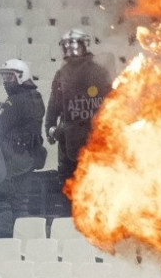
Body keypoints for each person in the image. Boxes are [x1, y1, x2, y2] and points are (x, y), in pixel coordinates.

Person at [44, 29, 113, 185]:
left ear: (84, 46)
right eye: (67, 48)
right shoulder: (61, 75)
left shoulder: (99, 72)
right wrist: (51, 129)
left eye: (75, 46)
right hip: (68, 138)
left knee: (95, 183)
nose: (71, 52)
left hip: (93, 137)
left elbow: (110, 102)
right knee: (67, 183)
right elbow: (54, 105)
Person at [0, 59, 46, 236]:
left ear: (21, 76)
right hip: (29, 156)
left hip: (14, 157)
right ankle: (24, 238)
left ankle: (6, 239)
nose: (6, 81)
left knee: (2, 196)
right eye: (4, 77)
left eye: (9, 77)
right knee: (21, 201)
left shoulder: (16, 100)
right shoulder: (35, 97)